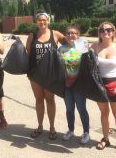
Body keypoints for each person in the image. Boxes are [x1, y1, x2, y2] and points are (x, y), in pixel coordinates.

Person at [90, 21, 116, 155]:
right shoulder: (94, 46)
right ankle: (106, 138)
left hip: (115, 84)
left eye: (108, 30)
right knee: (104, 113)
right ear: (99, 33)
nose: (105, 32)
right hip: (99, 84)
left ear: (113, 32)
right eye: (102, 30)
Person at [26, 12, 66, 140]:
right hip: (35, 75)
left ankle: (52, 127)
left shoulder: (55, 34)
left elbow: (70, 45)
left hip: (50, 75)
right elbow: (27, 54)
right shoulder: (32, 36)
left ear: (48, 21)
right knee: (39, 100)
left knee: (50, 100)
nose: (42, 22)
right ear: (36, 22)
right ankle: (39, 126)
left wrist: (63, 56)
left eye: (44, 20)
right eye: (39, 20)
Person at [58, 26, 90, 144]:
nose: (71, 35)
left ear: (78, 35)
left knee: (81, 109)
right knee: (69, 109)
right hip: (67, 84)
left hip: (79, 84)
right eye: (69, 33)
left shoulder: (82, 47)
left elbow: (89, 62)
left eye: (74, 33)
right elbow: (58, 64)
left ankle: (86, 132)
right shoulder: (62, 49)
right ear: (66, 35)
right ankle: (70, 130)